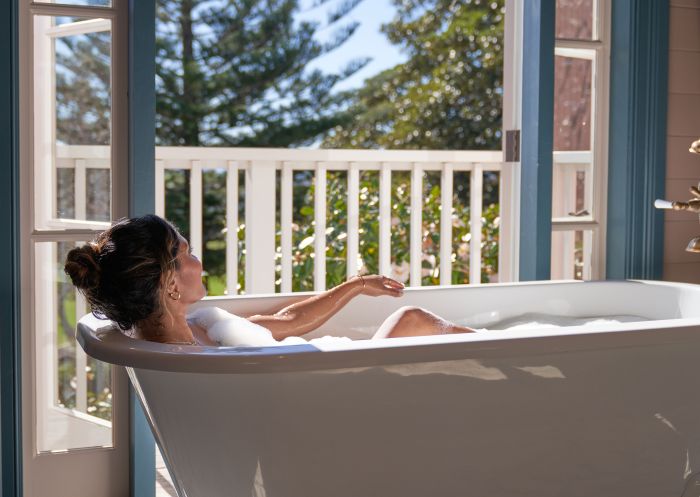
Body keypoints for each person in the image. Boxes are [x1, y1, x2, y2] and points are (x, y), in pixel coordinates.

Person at [64, 215, 474, 346]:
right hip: (320, 420)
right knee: (413, 320)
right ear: (169, 282)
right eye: (186, 253)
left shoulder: (198, 331)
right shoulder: (198, 349)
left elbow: (288, 320)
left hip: (309, 406)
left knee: (411, 320)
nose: (198, 261)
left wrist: (355, 286)